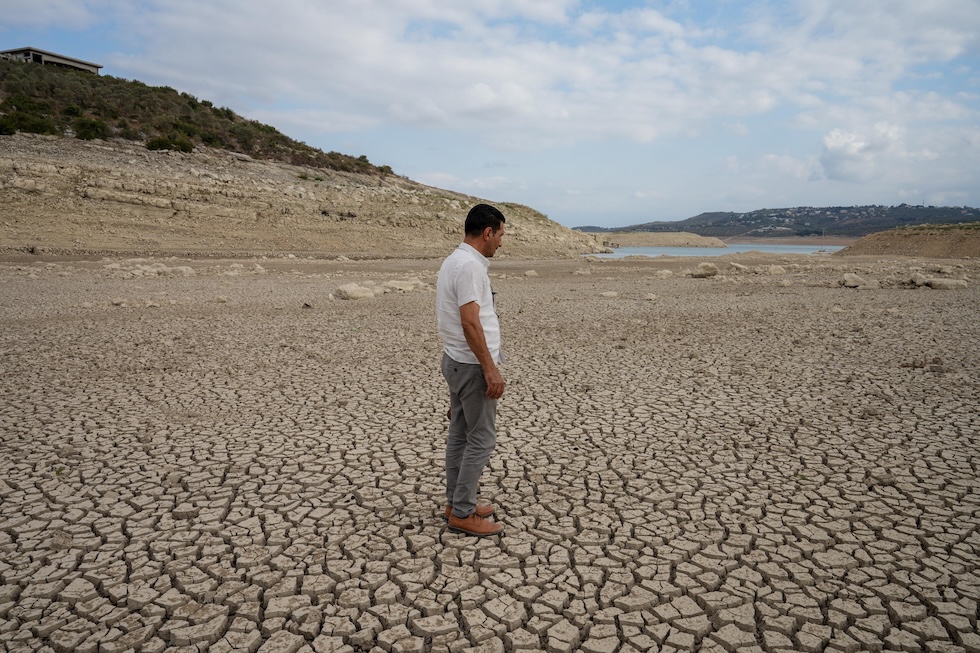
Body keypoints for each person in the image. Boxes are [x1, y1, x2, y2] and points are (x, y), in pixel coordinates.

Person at [436, 203, 507, 537]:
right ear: (488, 232)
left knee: (460, 435)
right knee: (482, 438)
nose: (501, 243)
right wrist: (489, 370)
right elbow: (469, 321)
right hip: (471, 365)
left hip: (457, 362)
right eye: (501, 235)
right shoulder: (469, 267)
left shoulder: (455, 260)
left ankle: (455, 502)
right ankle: (463, 512)